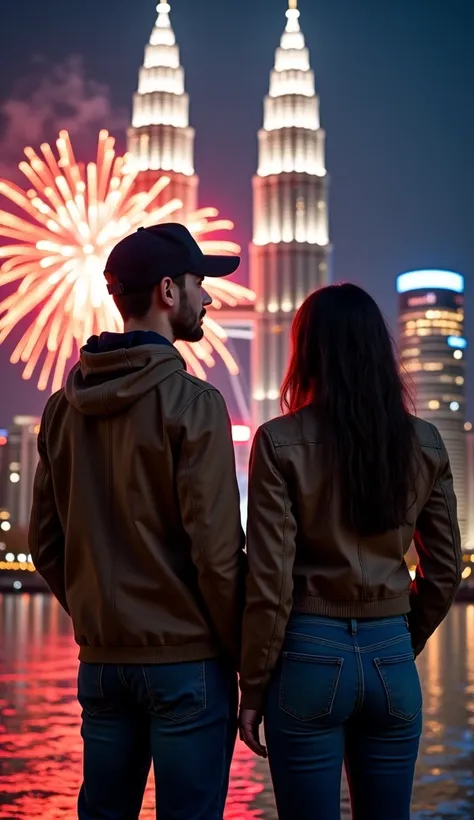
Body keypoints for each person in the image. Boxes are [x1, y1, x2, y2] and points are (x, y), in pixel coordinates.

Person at [29, 223, 246, 820]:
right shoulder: (194, 404)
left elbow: (46, 545)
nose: (208, 299)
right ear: (169, 292)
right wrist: (247, 660)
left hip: (101, 663)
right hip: (188, 663)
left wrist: (101, 618)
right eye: (200, 283)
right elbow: (218, 556)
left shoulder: (60, 409)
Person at [239, 283, 462, 820]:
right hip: (391, 654)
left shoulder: (278, 441)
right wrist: (399, 640)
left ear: (306, 351)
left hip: (308, 652)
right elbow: (446, 568)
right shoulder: (425, 442)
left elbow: (270, 583)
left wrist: (252, 689)